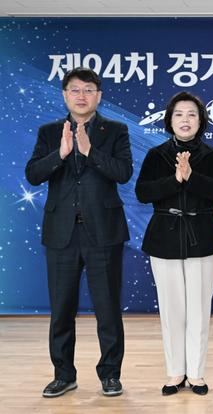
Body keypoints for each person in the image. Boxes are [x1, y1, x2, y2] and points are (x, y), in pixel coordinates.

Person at [25, 67, 132, 398]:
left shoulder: (116, 130)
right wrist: (61, 153)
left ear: (98, 96)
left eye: (88, 90)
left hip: (104, 233)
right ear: (65, 95)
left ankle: (110, 375)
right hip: (62, 234)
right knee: (61, 310)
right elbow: (33, 174)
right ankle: (63, 374)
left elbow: (123, 173)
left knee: (108, 310)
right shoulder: (49, 132)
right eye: (75, 90)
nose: (81, 96)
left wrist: (89, 152)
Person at [135, 91, 213, 396]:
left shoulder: (212, 155)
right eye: (178, 114)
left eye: (191, 114)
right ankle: (175, 372)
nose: (185, 120)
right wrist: (175, 179)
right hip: (164, 236)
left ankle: (197, 374)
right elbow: (143, 193)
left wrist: (191, 176)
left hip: (203, 236)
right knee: (171, 309)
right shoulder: (156, 155)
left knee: (199, 310)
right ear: (169, 120)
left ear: (201, 120)